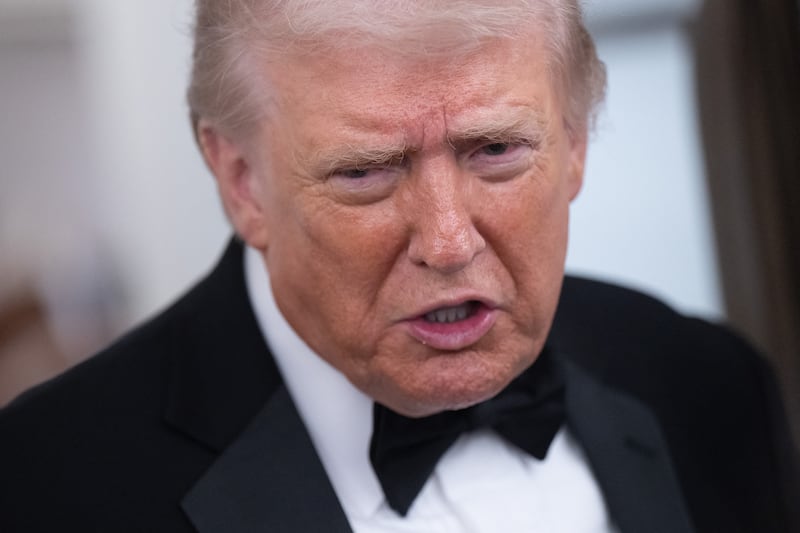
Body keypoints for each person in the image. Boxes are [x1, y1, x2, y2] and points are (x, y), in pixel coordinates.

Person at [1, 1, 797, 531]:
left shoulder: (712, 386)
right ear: (241, 179)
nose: (448, 242)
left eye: (495, 151)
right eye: (367, 170)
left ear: (577, 142)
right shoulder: (43, 486)